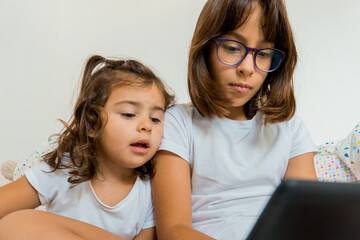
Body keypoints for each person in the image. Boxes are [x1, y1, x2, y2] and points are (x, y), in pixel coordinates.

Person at [151, 0, 318, 239]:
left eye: (264, 54)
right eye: (232, 48)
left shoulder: (291, 128)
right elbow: (174, 231)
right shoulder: (177, 123)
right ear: (206, 48)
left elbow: (307, 219)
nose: (247, 68)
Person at [0, 55, 174, 240]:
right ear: (92, 124)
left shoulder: (151, 189)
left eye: (156, 119)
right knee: (17, 225)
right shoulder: (66, 168)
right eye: (129, 114)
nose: (147, 125)